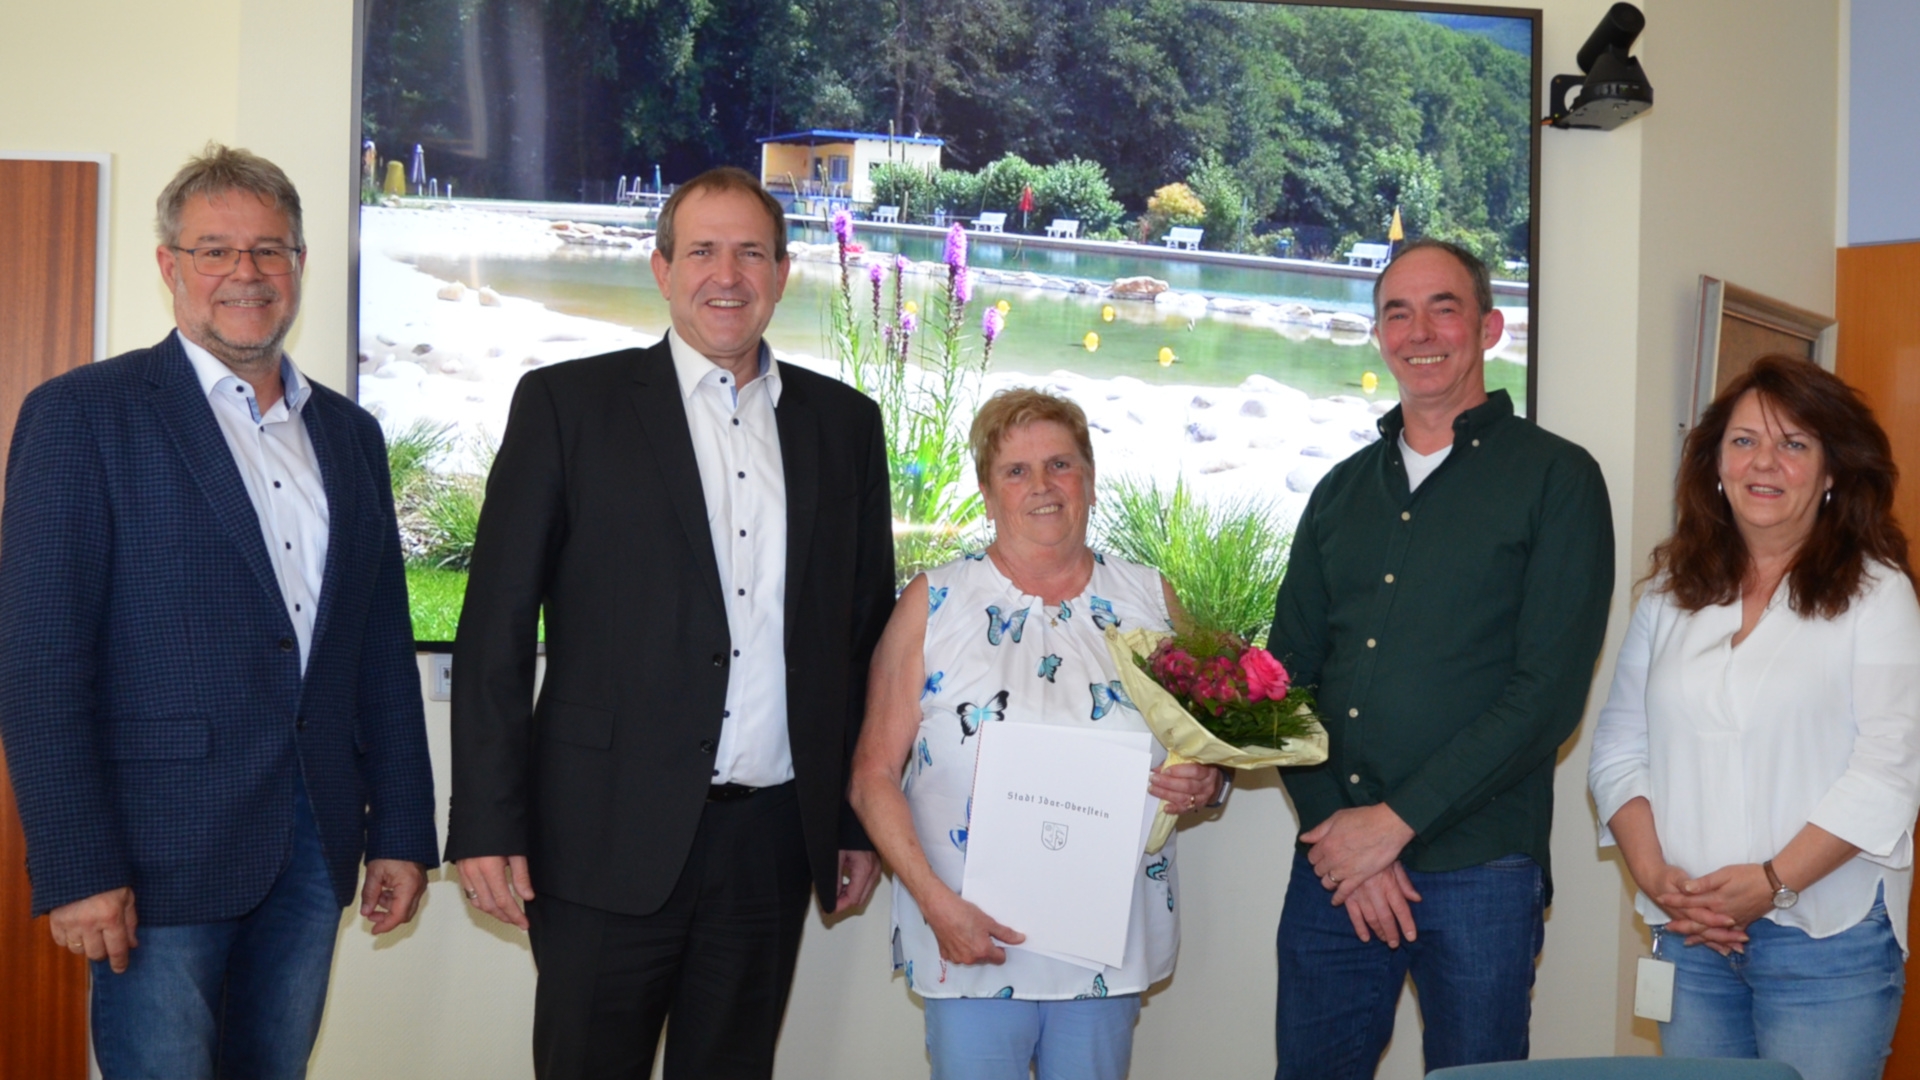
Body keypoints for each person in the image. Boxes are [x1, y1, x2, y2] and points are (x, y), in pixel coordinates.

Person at [446, 166, 896, 1080]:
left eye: (750, 253)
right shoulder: (566, 407)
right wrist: (487, 822)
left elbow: (860, 639)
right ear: (660, 269)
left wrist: (854, 820)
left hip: (769, 845)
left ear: (782, 272)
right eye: (701, 251)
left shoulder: (845, 425)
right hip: (600, 837)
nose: (725, 275)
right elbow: (493, 630)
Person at [0, 143, 438, 1078]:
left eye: (270, 250)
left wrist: (400, 829)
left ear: (299, 266)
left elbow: (379, 652)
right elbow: (40, 661)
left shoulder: (350, 437)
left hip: (316, 846)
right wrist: (78, 867)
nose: (246, 272)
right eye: (215, 250)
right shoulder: (84, 416)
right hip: (157, 855)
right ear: (169, 266)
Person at [1266, 238, 1614, 1077]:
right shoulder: (1341, 491)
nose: (1419, 330)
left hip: (1482, 867)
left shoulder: (1558, 480)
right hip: (1333, 867)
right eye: (1397, 311)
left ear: (1489, 326)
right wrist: (1335, 832)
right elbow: (1282, 682)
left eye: (1444, 307)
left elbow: (1546, 699)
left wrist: (1391, 826)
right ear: (1378, 334)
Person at [849, 388, 1223, 1080]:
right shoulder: (934, 602)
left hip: (1105, 940)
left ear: (1090, 477)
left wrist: (1208, 781)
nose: (1042, 487)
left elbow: (1210, 741)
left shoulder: (1150, 597)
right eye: (1016, 472)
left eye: (1061, 465)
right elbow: (872, 775)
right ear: (987, 493)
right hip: (968, 936)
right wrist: (936, 905)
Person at [1588, 356, 1918, 1080]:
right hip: (1691, 936)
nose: (1764, 462)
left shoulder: (1879, 595)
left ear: (1832, 472)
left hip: (1826, 941)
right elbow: (1617, 746)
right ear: (1714, 464)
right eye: (1743, 442)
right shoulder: (1671, 595)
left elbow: (1889, 770)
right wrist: (1657, 877)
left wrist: (1770, 882)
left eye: (1794, 444)